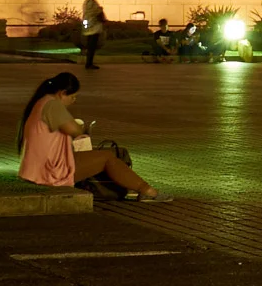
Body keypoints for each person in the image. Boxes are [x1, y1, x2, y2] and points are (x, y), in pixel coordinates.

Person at [18, 73, 168, 198]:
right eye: (73, 97)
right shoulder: (53, 105)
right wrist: (82, 128)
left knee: (100, 156)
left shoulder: (41, 102)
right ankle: (148, 192)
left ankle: (134, 188)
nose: (74, 101)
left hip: (39, 168)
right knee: (107, 157)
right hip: (49, 171)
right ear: (62, 93)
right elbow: (75, 130)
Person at [79, 0, 105, 71]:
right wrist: (100, 9)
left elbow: (86, 15)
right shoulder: (92, 2)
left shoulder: (85, 2)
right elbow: (96, 12)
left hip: (88, 28)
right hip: (94, 28)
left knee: (90, 46)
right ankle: (89, 63)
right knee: (92, 46)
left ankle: (89, 63)